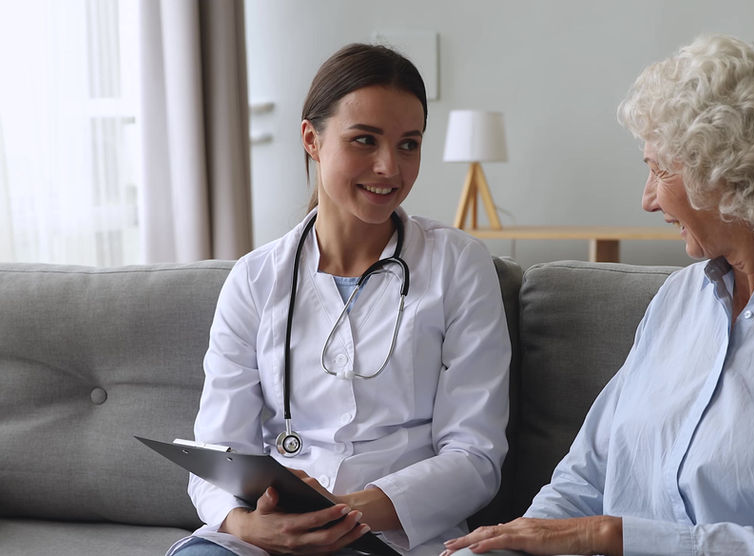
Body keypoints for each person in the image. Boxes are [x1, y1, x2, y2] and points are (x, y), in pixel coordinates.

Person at [443, 34, 754, 556]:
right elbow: (583, 480)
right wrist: (502, 547)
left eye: (659, 169)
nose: (647, 199)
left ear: (735, 175)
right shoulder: (678, 299)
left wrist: (609, 536)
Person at [168, 44, 511, 556]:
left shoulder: (458, 265)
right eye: (364, 140)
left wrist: (344, 510)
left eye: (408, 144)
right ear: (312, 139)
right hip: (271, 537)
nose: (388, 167)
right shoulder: (255, 278)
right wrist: (245, 527)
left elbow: (475, 455)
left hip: (399, 533)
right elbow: (219, 452)